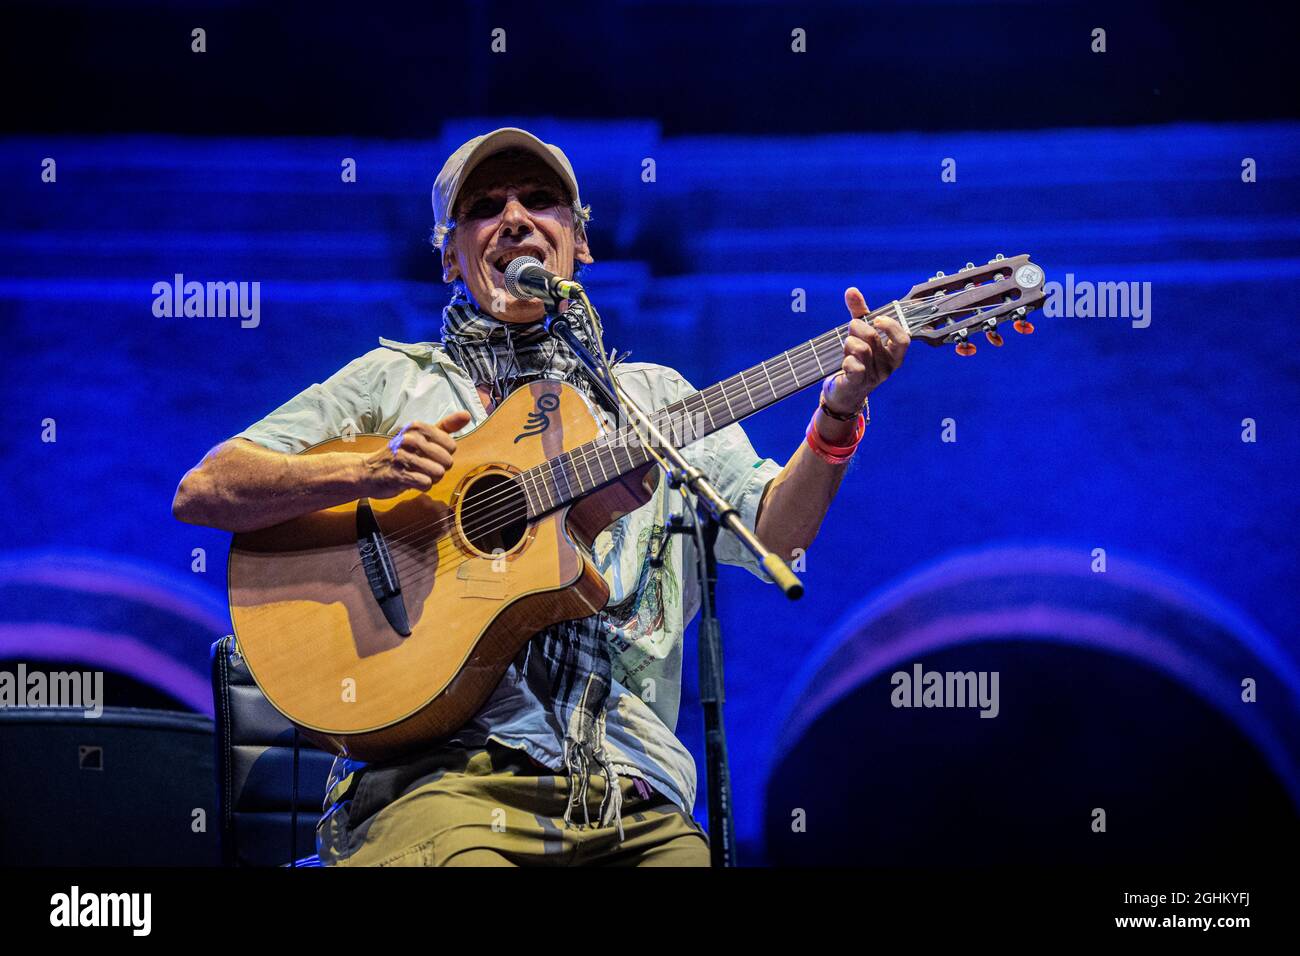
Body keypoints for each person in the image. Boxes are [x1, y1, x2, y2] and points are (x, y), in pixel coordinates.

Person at [172, 127, 910, 866]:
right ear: (451, 257)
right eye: (486, 206)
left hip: (632, 787)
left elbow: (775, 538)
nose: (516, 218)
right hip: (442, 781)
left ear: (579, 244)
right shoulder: (393, 384)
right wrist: (367, 473)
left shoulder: (652, 403)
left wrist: (838, 411)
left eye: (542, 201)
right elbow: (207, 489)